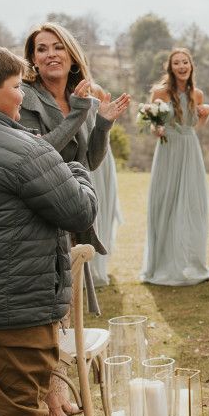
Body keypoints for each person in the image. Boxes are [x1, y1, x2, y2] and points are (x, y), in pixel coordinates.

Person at [0, 43, 98, 416]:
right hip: (16, 310)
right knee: (20, 415)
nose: (21, 96)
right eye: (14, 87)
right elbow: (78, 210)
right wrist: (77, 171)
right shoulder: (23, 149)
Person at [21, 22, 131, 416]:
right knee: (51, 307)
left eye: (57, 47)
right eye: (41, 49)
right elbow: (37, 153)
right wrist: (82, 113)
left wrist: (103, 123)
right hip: (41, 210)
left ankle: (60, 391)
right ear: (33, 59)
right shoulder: (27, 97)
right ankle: (51, 400)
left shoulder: (76, 96)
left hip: (70, 208)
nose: (50, 54)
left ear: (71, 56)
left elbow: (89, 161)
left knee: (66, 305)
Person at [140, 48, 209, 286]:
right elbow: (153, 125)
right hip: (168, 149)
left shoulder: (197, 94)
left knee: (192, 204)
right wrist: (157, 129)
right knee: (166, 203)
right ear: (170, 68)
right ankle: (163, 264)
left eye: (185, 62)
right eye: (177, 63)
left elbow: (195, 126)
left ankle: (190, 263)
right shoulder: (160, 92)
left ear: (191, 66)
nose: (181, 66)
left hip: (190, 149)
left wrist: (205, 115)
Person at [87, 82, 123, 287]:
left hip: (99, 154)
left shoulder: (97, 90)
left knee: (101, 204)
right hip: (82, 152)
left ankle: (98, 263)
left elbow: (103, 122)